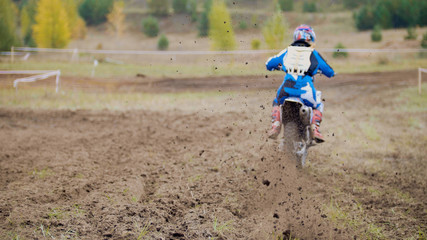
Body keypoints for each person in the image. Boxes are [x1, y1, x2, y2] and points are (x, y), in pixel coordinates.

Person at [265, 24, 335, 143]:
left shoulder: (287, 51)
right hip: (306, 91)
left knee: (276, 101)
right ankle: (315, 128)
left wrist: (279, 67)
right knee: (318, 105)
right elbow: (329, 71)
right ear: (311, 38)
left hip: (286, 89)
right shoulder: (314, 53)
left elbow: (269, 64)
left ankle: (275, 126)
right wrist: (329, 73)